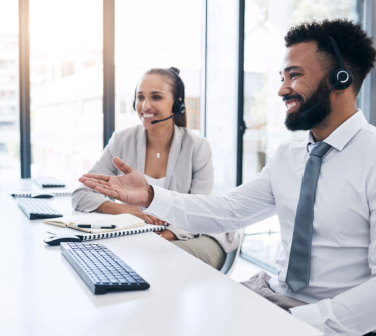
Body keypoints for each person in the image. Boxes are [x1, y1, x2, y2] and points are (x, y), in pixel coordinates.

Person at [79, 20, 376, 336]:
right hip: (273, 296)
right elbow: (227, 211)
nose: (281, 89)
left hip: (332, 319)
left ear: (340, 79)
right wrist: (152, 196)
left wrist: (298, 324)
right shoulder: (288, 156)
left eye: (295, 75)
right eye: (282, 77)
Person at [72, 67, 241, 270]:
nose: (145, 105)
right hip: (142, 237)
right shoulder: (122, 141)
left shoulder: (197, 147)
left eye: (156, 97)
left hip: (197, 235)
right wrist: (127, 211)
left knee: (157, 261)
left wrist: (161, 235)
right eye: (140, 97)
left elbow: (199, 212)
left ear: (177, 104)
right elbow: (81, 194)